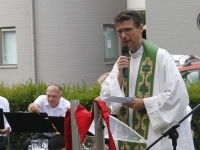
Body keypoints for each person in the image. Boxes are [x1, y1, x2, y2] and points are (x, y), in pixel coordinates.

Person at [100, 10, 194, 150]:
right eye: (119, 31)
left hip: (154, 134)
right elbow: (107, 99)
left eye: (128, 30)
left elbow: (178, 96)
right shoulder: (122, 62)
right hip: (129, 132)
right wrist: (119, 76)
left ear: (140, 28)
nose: (123, 36)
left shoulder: (160, 57)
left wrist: (145, 103)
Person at [23, 84, 70, 150]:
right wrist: (32, 107)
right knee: (27, 144)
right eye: (48, 95)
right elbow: (32, 106)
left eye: (54, 96)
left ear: (60, 95)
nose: (50, 99)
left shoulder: (67, 105)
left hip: (60, 135)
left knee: (52, 145)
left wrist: (58, 127)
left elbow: (67, 126)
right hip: (44, 134)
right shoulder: (42, 98)